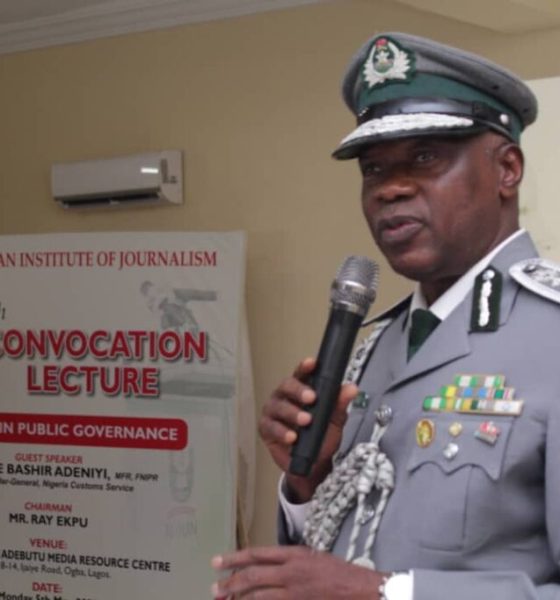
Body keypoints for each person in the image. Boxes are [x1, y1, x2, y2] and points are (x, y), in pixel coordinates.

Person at [211, 32, 560, 599]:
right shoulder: (377, 344)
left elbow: (367, 585)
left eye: (425, 158)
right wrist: (307, 481)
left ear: (507, 169)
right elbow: (348, 551)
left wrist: (387, 594)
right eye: (373, 169)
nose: (390, 189)